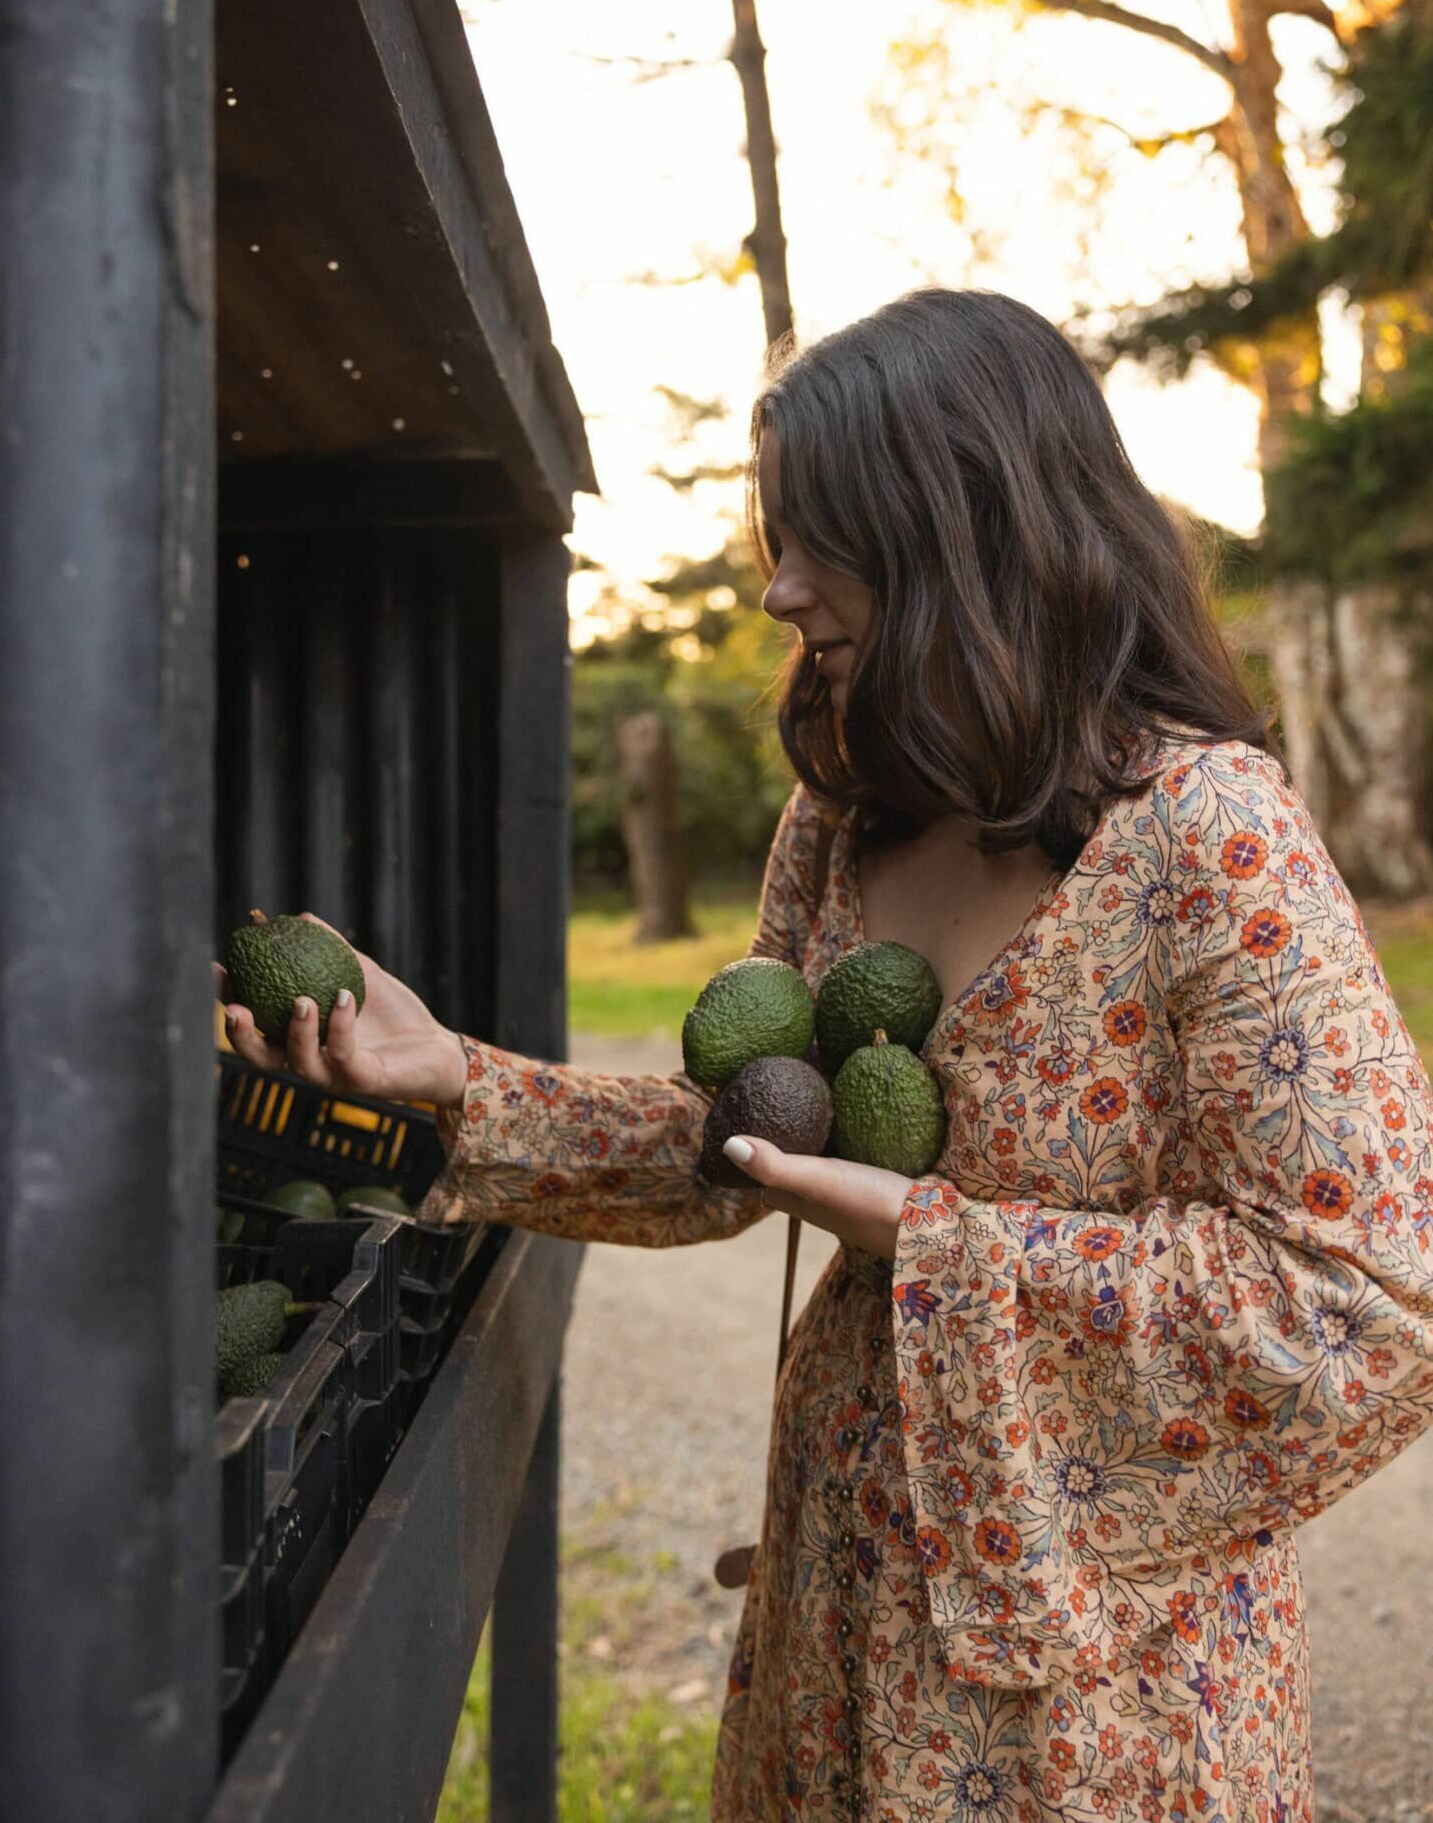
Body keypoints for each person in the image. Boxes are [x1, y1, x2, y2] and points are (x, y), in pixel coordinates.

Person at [220, 289, 1433, 1822]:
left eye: (820, 540)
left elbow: (1366, 1303)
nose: (779, 591)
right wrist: (457, 1076)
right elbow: (736, 1146)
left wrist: (922, 1236)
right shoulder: (845, 815)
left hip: (1081, 1684)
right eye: (769, 537)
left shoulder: (1212, 842)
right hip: (831, 1580)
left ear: (969, 529)